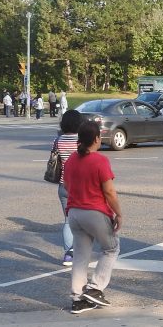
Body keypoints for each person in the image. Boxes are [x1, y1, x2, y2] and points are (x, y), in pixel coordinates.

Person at [63, 121, 123, 314]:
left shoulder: (71, 159)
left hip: (74, 213)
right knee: (111, 249)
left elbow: (66, 186)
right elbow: (109, 192)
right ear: (97, 139)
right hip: (94, 212)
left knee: (80, 255)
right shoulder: (100, 161)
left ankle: (77, 298)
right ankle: (95, 288)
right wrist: (119, 213)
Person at [54, 110, 82, 266]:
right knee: (84, 219)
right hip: (80, 186)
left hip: (63, 185)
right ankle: (77, 250)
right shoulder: (81, 140)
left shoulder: (58, 141)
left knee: (67, 221)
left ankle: (68, 254)